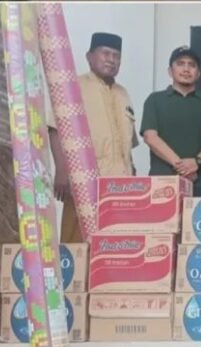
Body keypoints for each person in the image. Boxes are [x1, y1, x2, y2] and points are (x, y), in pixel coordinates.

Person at [48, 32, 139, 242]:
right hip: (84, 181)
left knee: (114, 244)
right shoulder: (73, 87)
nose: (111, 60)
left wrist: (133, 179)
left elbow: (128, 144)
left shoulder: (123, 93)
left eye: (116, 56)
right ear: (89, 57)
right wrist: (61, 171)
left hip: (119, 186)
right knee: (76, 244)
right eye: (105, 53)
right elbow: (56, 129)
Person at [140, 46, 201, 196]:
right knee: (162, 220)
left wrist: (197, 162)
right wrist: (181, 166)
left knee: (198, 220)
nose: (186, 69)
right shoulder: (155, 100)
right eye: (180, 63)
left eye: (192, 65)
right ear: (170, 71)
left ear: (198, 73)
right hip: (162, 181)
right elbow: (150, 137)